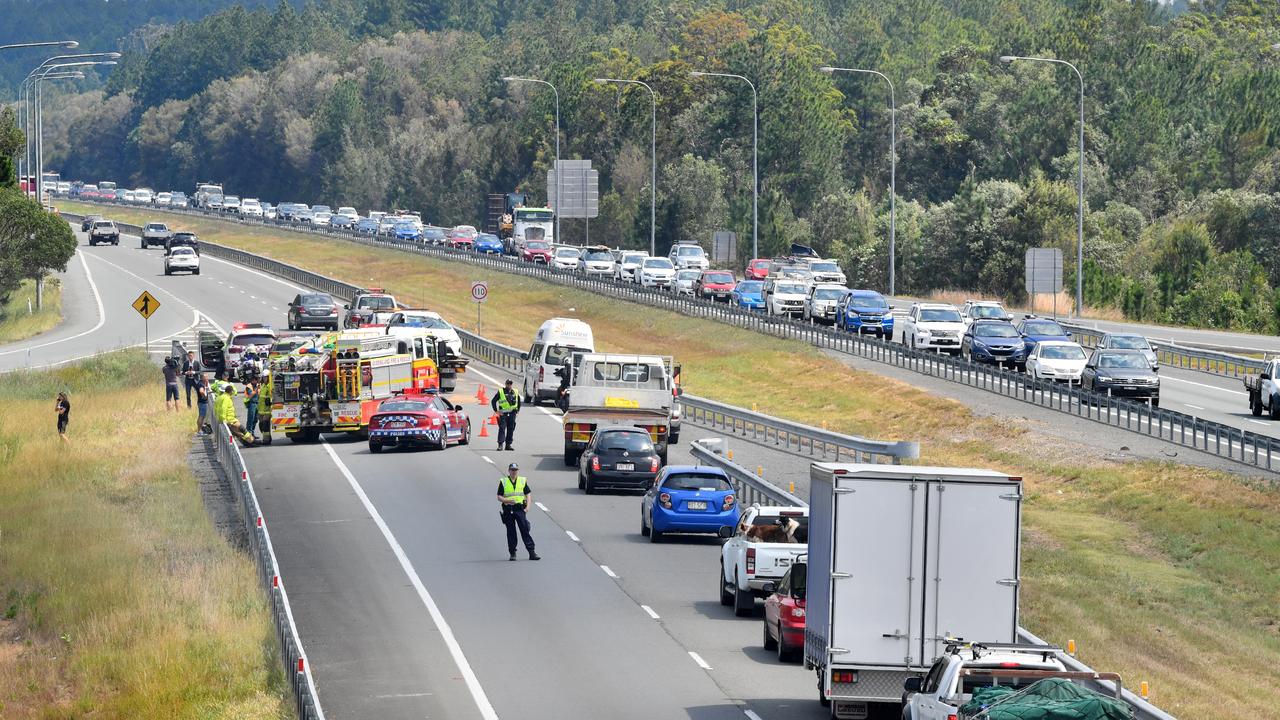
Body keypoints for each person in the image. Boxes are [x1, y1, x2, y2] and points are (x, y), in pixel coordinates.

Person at [496, 462, 539, 561]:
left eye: (515, 470)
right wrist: (506, 500)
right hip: (508, 509)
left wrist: (528, 507)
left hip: (520, 508)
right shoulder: (504, 481)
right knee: (511, 532)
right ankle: (512, 553)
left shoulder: (522, 481)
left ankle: (532, 552)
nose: (514, 472)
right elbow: (499, 496)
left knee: (524, 530)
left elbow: (528, 494)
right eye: (512, 470)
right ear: (509, 471)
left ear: (518, 471)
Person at [490, 378, 521, 451]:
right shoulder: (501, 392)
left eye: (510, 384)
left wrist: (518, 411)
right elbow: (493, 401)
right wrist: (496, 411)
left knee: (511, 429)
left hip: (512, 413)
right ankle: (500, 445)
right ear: (505, 384)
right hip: (503, 414)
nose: (509, 385)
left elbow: (519, 402)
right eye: (508, 383)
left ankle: (508, 445)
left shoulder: (515, 392)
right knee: (502, 429)